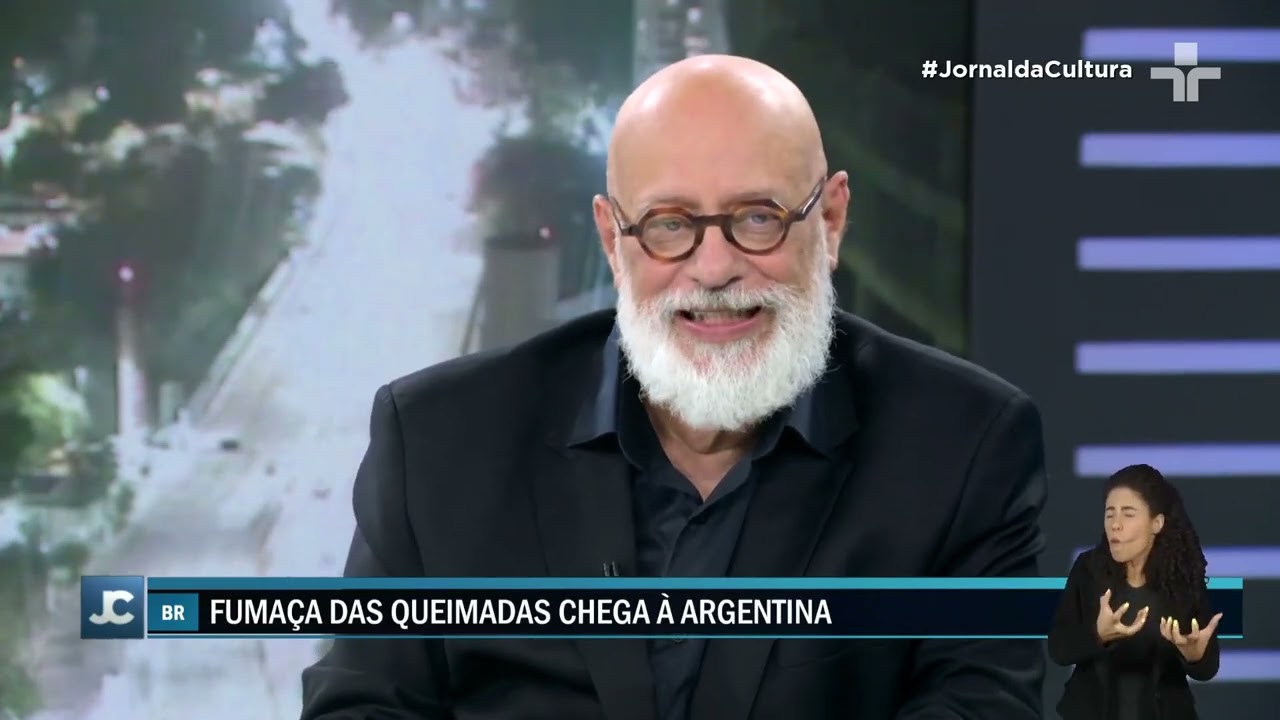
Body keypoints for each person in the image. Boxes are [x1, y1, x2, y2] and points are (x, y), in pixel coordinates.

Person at [300, 54, 1048, 720]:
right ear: (611, 238)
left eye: (758, 218)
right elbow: (362, 705)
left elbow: (979, 705)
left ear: (830, 219)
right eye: (668, 225)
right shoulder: (437, 440)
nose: (714, 268)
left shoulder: (966, 445)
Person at [1048, 464, 1223, 720]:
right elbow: (1058, 649)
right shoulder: (1088, 569)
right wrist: (1098, 634)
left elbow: (1207, 669)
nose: (1115, 525)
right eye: (1109, 514)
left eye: (1128, 514)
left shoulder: (1182, 578)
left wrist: (1194, 657)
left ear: (1157, 523)